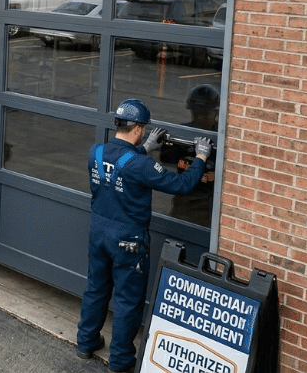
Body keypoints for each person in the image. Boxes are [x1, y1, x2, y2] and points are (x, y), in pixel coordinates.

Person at [76, 98, 211, 372]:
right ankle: (120, 361)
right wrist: (201, 157)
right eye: (143, 130)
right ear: (138, 128)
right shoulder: (141, 166)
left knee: (96, 289)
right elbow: (182, 184)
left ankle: (86, 343)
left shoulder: (95, 152)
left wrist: (146, 148)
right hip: (128, 239)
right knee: (127, 301)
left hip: (98, 232)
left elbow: (119, 169)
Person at [162, 84, 219, 225]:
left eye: (205, 114)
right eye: (196, 113)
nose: (200, 118)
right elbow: (166, 157)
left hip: (206, 209)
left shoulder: (219, 138)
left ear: (216, 114)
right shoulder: (185, 133)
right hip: (182, 205)